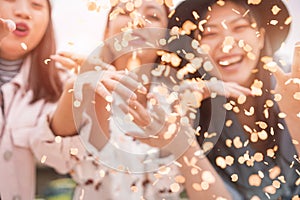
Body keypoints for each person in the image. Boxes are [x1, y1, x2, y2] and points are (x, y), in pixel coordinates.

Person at [49, 0, 254, 199]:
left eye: (153, 16)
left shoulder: (181, 96)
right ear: (107, 31)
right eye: (125, 12)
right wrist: (79, 89)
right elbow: (58, 150)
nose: (137, 21)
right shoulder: (79, 84)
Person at [168, 0, 300, 199]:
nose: (227, 43)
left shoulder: (293, 85)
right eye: (210, 33)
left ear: (261, 37)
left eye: (239, 27)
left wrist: (295, 115)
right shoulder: (184, 111)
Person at [0, 0, 87, 199]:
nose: (23, 12)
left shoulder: (63, 83)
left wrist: (75, 93)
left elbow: (65, 160)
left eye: (36, 4)